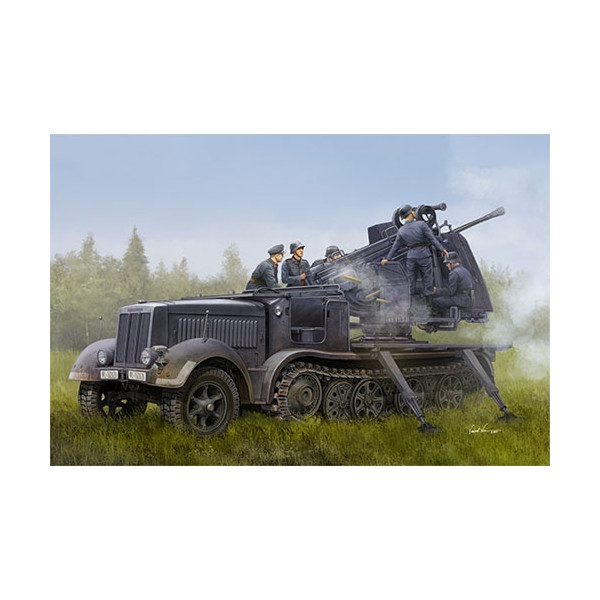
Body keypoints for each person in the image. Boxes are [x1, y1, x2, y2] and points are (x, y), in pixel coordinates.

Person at [380, 204, 449, 306]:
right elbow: (432, 239)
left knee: (410, 283)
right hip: (424, 255)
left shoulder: (401, 230)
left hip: (411, 257)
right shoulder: (421, 225)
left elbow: (395, 247)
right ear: (411, 212)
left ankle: (409, 308)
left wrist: (387, 258)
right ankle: (429, 307)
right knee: (428, 281)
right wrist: (442, 249)